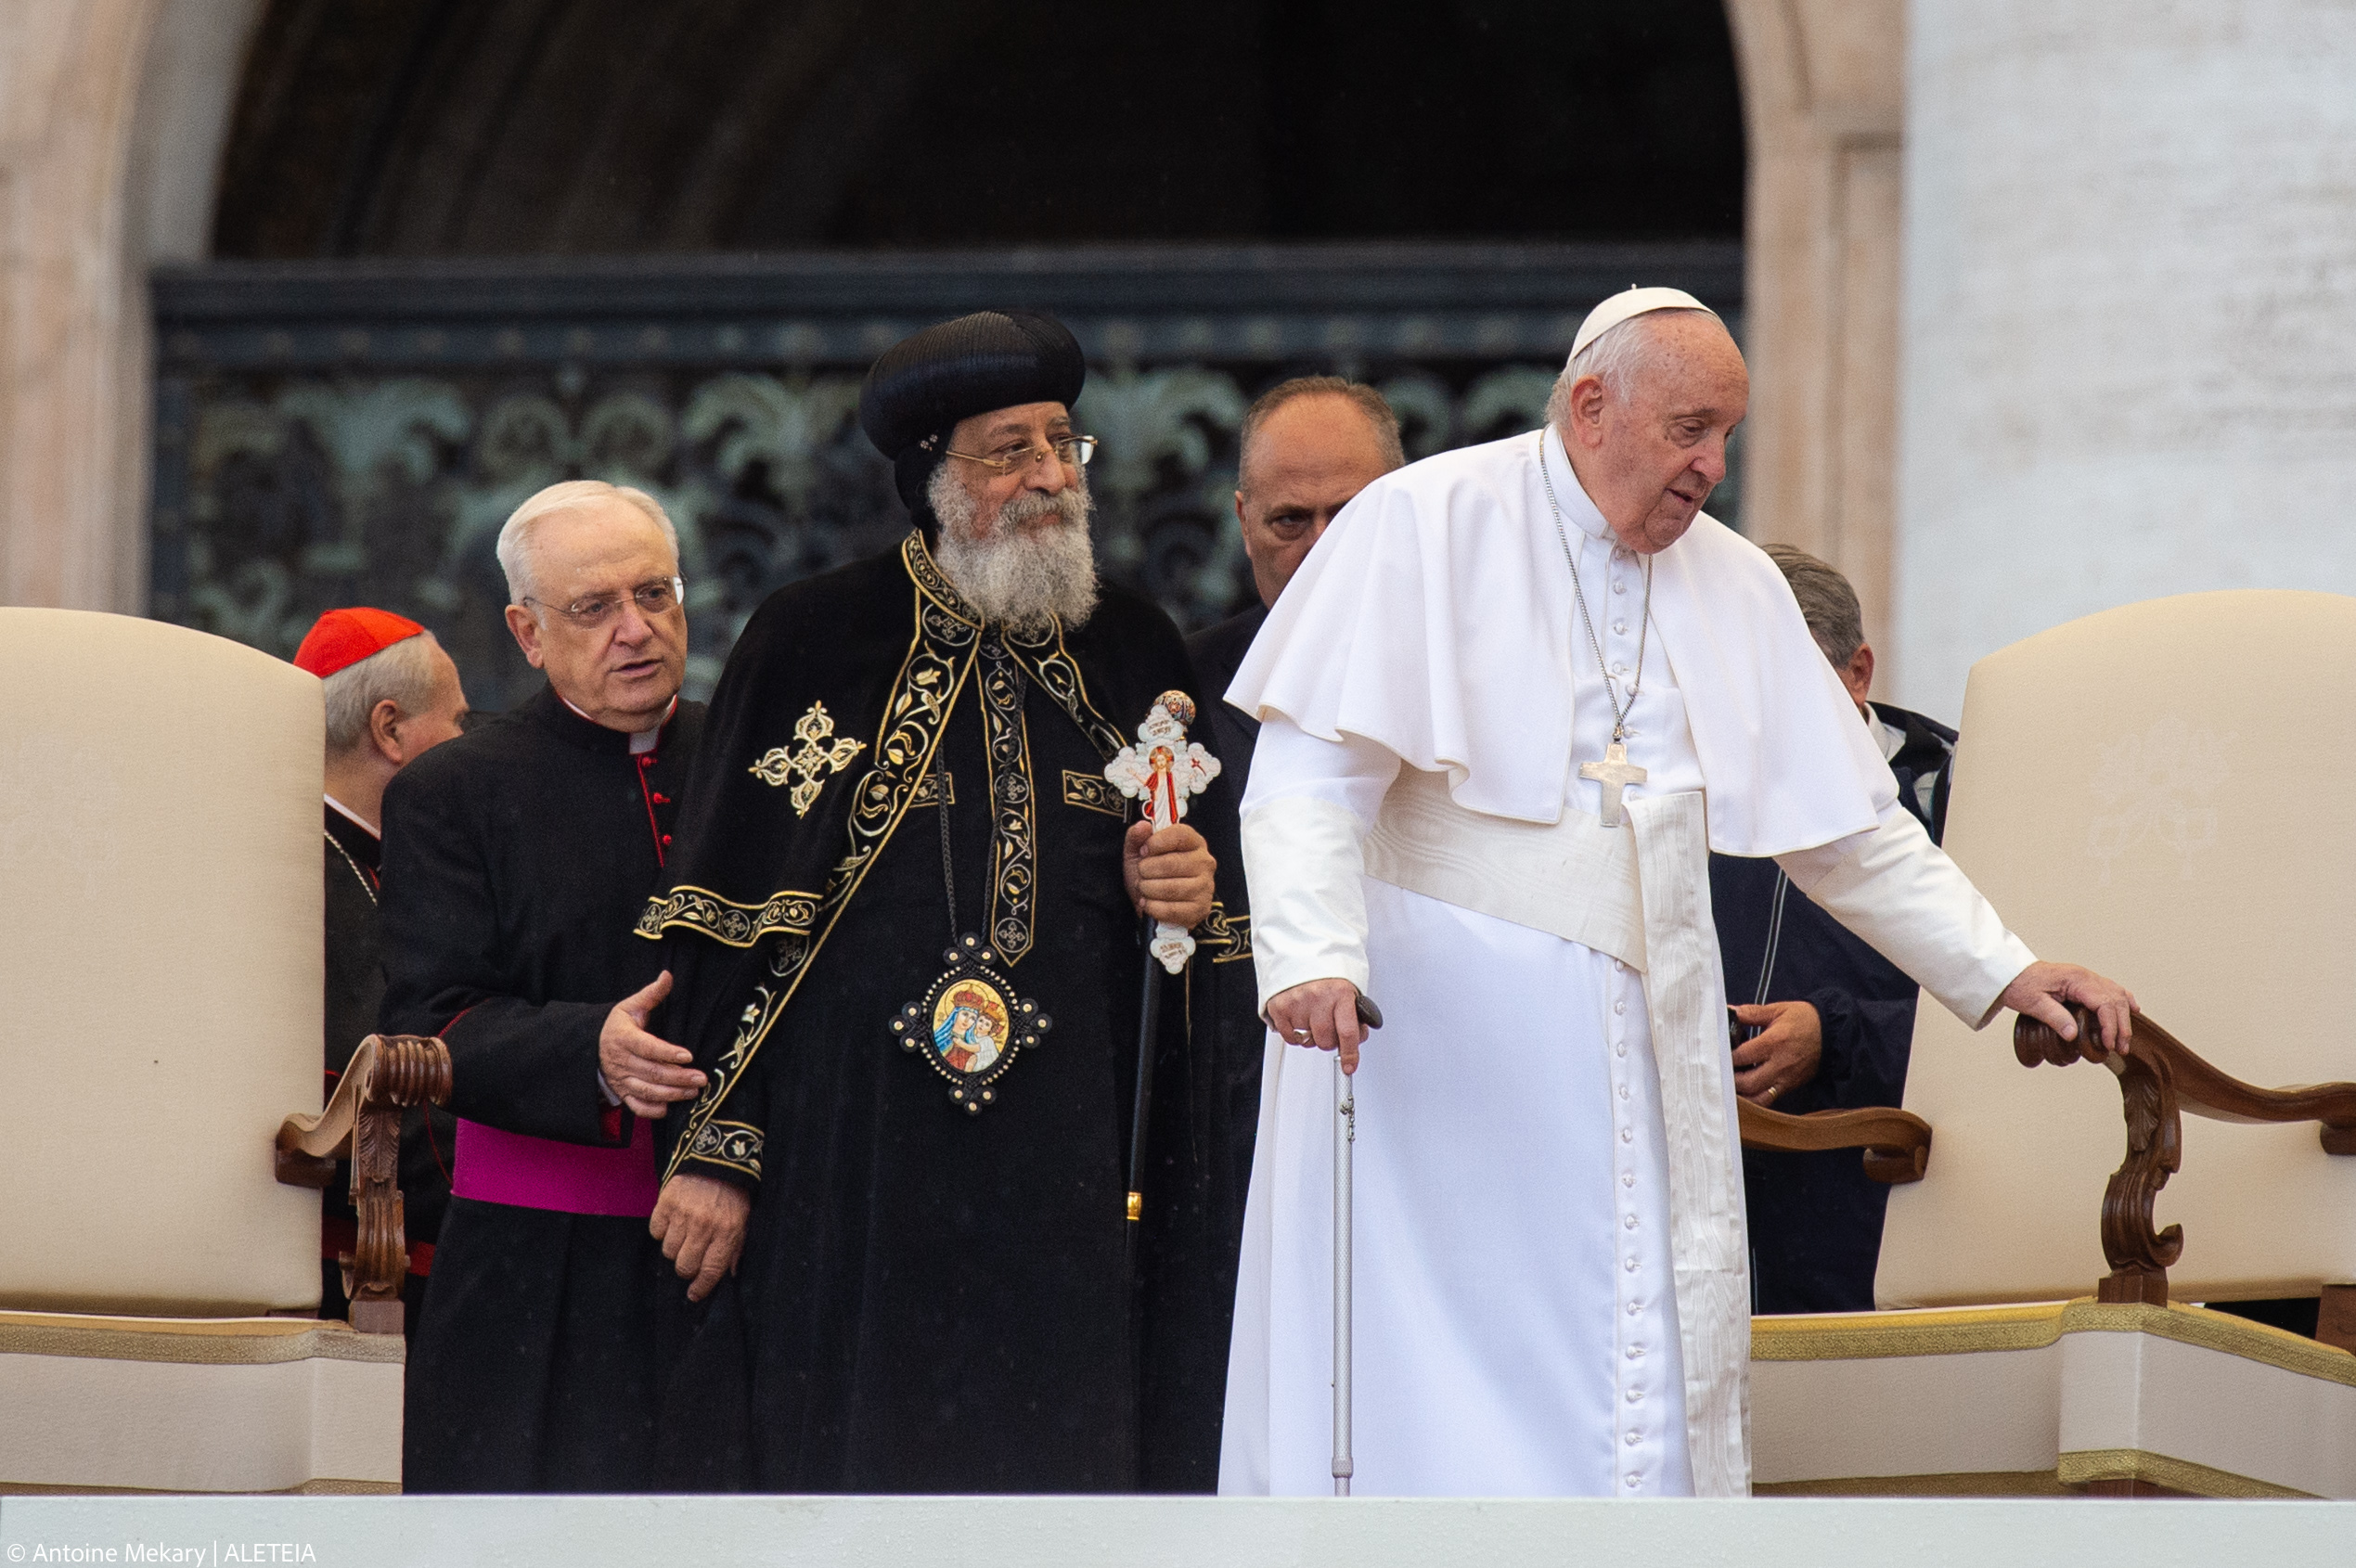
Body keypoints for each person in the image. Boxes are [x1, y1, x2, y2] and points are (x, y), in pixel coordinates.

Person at [1218, 287, 2137, 1497]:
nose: (1710, 466)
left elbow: (1854, 833)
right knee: (1428, 1369)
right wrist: (1310, 958)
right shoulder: (1420, 521)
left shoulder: (1735, 583)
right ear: (1589, 405)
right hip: (1430, 1044)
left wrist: (2006, 967)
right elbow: (1306, 778)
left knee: (1627, 1362)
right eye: (1688, 429)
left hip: (1640, 1047)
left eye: (1726, 438)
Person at [643, 310, 1262, 1493]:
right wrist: (719, 1148)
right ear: (931, 474)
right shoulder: (811, 638)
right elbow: (723, 923)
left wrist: (1186, 893)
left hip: (1081, 1150)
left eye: (1061, 445)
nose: (1046, 475)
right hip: (857, 1154)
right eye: (1006, 449)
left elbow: (1211, 913)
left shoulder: (1136, 650)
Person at [379, 481, 710, 1492]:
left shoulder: (757, 764)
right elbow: (431, 1019)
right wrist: (590, 1050)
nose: (635, 630)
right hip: (539, 1269)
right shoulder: (453, 791)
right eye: (594, 608)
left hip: (740, 1248)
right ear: (526, 631)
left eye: (654, 595)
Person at [1711, 546, 1957, 1314]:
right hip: (1693, 1222)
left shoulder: (1968, 793)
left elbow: (2014, 1015)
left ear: (1857, 673)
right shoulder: (1672, 783)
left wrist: (1835, 1033)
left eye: (1786, 691)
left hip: (1883, 1220)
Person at [293, 607, 469, 1332]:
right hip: (362, 1270)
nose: (467, 747)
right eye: (458, 723)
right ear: (390, 730)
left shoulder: (391, 862)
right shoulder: (302, 867)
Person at [1186, 378, 1405, 798]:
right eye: (1290, 521)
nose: (1322, 549)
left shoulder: (1478, 673)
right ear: (1244, 523)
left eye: (1349, 516)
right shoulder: (1181, 691)